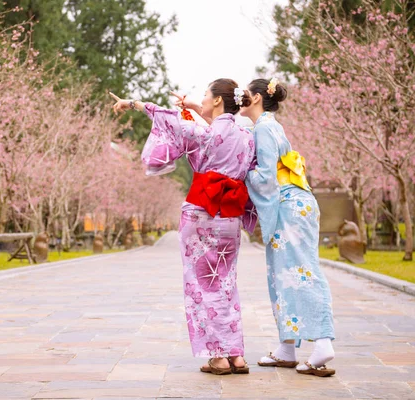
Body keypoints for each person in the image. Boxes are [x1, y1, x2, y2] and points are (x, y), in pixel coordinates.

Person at [110, 79, 257, 375]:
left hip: (201, 214)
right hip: (230, 217)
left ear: (217, 101)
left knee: (202, 285)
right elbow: (216, 131)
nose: (201, 99)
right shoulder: (247, 134)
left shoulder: (201, 131)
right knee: (226, 284)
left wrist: (135, 103)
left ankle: (217, 356)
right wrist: (194, 107)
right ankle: (236, 354)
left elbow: (168, 118)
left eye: (205, 95)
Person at [240, 78, 336, 377]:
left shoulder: (265, 128)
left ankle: (322, 342)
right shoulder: (268, 125)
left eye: (244, 93)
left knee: (303, 271)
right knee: (284, 274)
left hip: (289, 203)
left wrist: (241, 172)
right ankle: (287, 347)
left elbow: (267, 176)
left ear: (256, 98)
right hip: (294, 202)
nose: (240, 97)